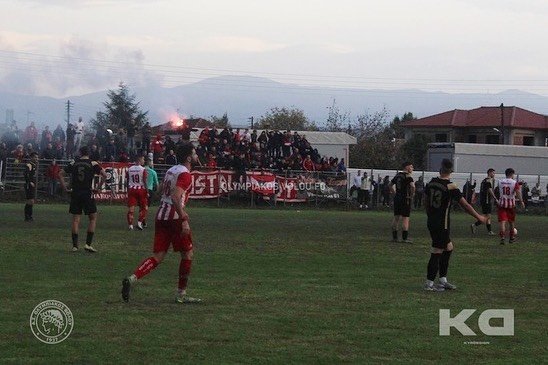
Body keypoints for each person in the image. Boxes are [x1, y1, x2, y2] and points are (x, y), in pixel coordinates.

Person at [122, 143, 201, 304]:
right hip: (174, 217)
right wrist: (184, 219)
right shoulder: (185, 174)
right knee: (187, 254)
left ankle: (132, 278)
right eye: (194, 153)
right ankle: (181, 294)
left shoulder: (172, 170)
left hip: (161, 215)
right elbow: (175, 196)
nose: (196, 156)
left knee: (158, 256)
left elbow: (160, 191)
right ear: (188, 157)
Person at [424, 159, 486, 291]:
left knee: (449, 247)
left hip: (432, 220)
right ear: (451, 171)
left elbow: (425, 201)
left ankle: (442, 280)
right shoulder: (451, 186)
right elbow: (465, 205)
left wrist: (430, 214)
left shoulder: (431, 183)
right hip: (442, 223)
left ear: (440, 169)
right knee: (437, 250)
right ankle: (429, 284)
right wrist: (478, 216)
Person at [59, 146, 107, 252]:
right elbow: (105, 175)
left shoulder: (73, 162)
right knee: (93, 218)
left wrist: (65, 188)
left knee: (76, 220)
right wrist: (98, 188)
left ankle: (75, 246)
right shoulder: (93, 163)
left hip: (76, 192)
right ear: (88, 153)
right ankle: (88, 244)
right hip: (87, 192)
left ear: (80, 153)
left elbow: (60, 174)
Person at [497, 168, 525, 245]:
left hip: (502, 204)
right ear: (512, 174)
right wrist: (521, 201)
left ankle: (502, 238)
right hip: (511, 205)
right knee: (511, 222)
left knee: (502, 222)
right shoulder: (514, 182)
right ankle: (511, 238)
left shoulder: (500, 181)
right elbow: (517, 192)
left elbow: (499, 190)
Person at [390, 162, 415, 243]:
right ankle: (404, 238)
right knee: (405, 218)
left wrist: (394, 194)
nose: (412, 168)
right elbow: (412, 186)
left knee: (396, 217)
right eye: (411, 167)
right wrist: (411, 195)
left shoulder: (398, 175)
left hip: (397, 198)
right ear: (407, 167)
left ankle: (395, 237)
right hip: (405, 199)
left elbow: (390, 185)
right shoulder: (408, 176)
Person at [471, 168, 498, 235]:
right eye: (493, 173)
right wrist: (495, 198)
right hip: (486, 200)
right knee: (488, 216)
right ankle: (475, 225)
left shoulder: (483, 181)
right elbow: (490, 190)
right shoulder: (488, 180)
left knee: (487, 216)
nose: (494, 174)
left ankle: (490, 231)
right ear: (490, 173)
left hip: (483, 200)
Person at [126, 155, 148, 230]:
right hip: (141, 189)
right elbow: (144, 181)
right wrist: (147, 191)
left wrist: (127, 190)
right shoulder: (143, 169)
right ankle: (139, 223)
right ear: (139, 160)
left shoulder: (129, 169)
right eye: (143, 159)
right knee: (144, 207)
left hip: (132, 189)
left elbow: (127, 180)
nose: (144, 161)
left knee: (131, 208)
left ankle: (130, 225)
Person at [143, 158, 159, 227]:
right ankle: (143, 220)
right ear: (149, 163)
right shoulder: (152, 172)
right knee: (146, 206)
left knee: (142, 206)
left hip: (141, 189)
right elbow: (157, 183)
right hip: (149, 190)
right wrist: (158, 193)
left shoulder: (141, 170)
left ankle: (141, 220)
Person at [23, 152, 39, 222]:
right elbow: (26, 174)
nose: (36, 158)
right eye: (35, 157)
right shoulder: (29, 165)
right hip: (28, 185)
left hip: (32, 184)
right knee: (30, 201)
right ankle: (27, 217)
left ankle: (30, 216)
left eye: (37, 157)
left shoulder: (34, 165)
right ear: (31, 157)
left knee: (31, 201)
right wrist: (30, 182)